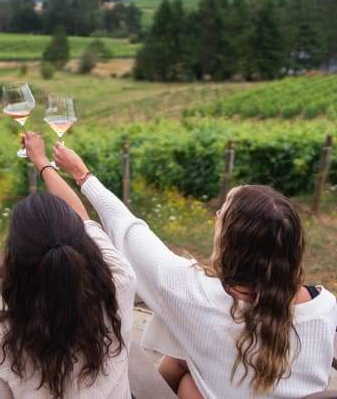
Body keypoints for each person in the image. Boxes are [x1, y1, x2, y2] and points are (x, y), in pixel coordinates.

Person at [52, 142, 337, 399]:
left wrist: (82, 175)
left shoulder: (194, 292)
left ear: (231, 241)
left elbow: (127, 229)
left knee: (168, 369)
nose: (216, 216)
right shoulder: (325, 306)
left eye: (221, 213)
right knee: (186, 366)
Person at [0, 131, 137, 399]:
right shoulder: (119, 283)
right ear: (82, 243)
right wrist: (42, 162)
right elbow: (82, 216)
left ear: (16, 263)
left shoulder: (1, 338)